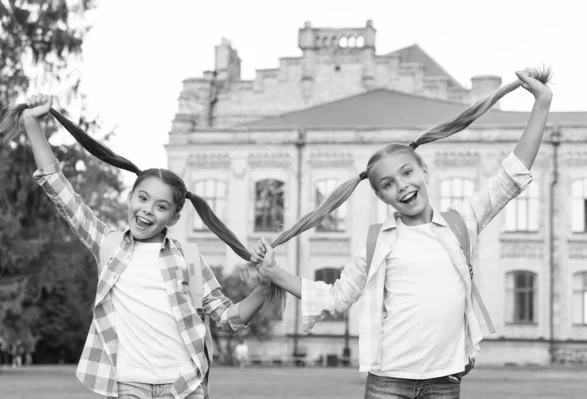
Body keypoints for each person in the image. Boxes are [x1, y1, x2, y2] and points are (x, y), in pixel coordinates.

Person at [250, 68, 553, 399]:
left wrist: (542, 103)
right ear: (381, 196)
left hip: (444, 381)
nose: (402, 186)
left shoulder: (461, 222)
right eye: (388, 184)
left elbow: (510, 177)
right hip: (388, 381)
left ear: (424, 170)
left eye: (407, 172)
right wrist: (273, 272)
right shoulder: (379, 241)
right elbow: (336, 298)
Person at [0, 94, 271, 399]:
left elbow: (228, 318)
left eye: (161, 206)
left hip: (183, 387)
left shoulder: (189, 258)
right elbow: (58, 188)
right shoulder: (108, 243)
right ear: (130, 198)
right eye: (142, 198)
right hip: (128, 385)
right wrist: (31, 123)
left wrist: (264, 287)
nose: (147, 211)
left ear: (174, 216)